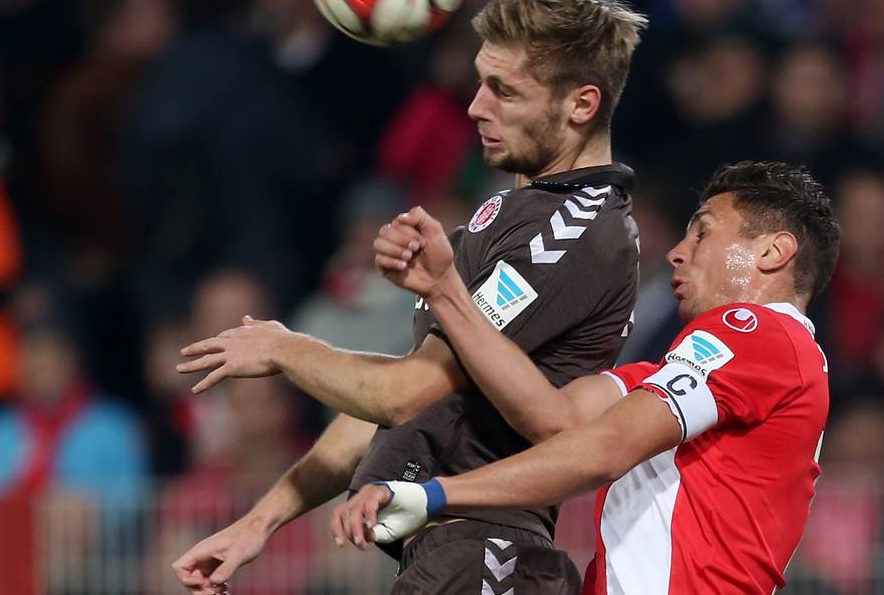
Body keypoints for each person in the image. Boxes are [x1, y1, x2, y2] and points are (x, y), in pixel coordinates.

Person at [172, 0, 646, 595]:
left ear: (582, 104)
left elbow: (404, 393)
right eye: (480, 81)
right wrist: (260, 523)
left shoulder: (577, 228)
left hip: (486, 556)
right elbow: (398, 399)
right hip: (448, 555)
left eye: (504, 91)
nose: (477, 106)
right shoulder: (520, 211)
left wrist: (285, 348)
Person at [336, 161, 840, 594]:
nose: (677, 252)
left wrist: (435, 494)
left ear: (773, 252)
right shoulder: (686, 373)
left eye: (703, 232)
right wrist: (449, 293)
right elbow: (553, 418)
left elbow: (606, 448)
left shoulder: (761, 333)